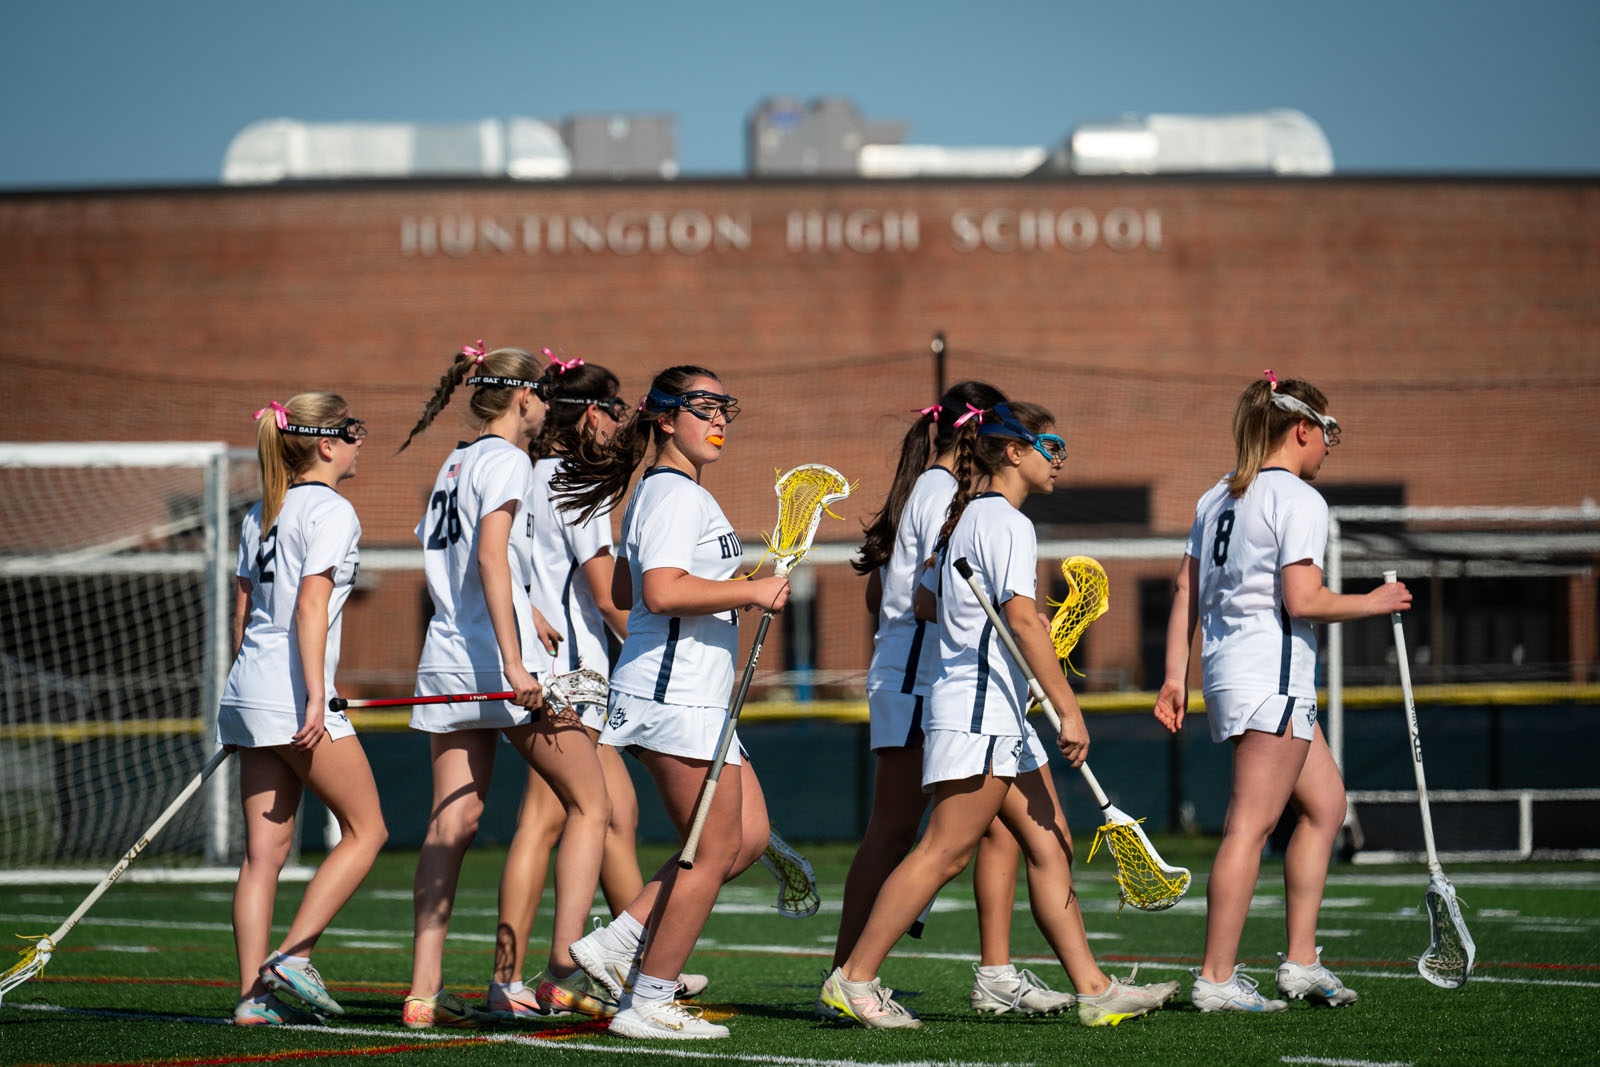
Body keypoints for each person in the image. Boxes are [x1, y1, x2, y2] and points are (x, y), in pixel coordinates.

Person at [819, 401, 1179, 1030]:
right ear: (1013, 450)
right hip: (977, 708)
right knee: (945, 851)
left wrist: (994, 630)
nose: (1060, 460)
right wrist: (1068, 707)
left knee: (1050, 840)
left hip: (998, 705)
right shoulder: (1006, 521)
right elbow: (1017, 620)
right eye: (1051, 446)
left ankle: (1094, 989)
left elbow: (925, 599)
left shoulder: (967, 517)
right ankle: (853, 978)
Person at [1154, 371, 1410, 1012]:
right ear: (1302, 429)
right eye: (1328, 432)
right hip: (1271, 676)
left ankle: (1300, 962)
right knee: (1250, 825)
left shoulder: (1217, 495)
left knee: (1326, 806)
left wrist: (1175, 675)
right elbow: (1303, 599)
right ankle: (1216, 978)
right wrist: (1373, 602)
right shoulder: (1298, 498)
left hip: (1236, 672)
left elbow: (1185, 589)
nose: (1328, 446)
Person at [552, 366, 790, 1040]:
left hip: (697, 693)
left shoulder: (674, 493)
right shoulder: (674, 493)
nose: (718, 420)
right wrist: (750, 592)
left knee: (746, 838)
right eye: (702, 407)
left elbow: (629, 587)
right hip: (673, 695)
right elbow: (657, 593)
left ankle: (621, 939)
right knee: (710, 852)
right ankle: (649, 999)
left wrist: (731, 582)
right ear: (664, 418)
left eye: (723, 408)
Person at [831, 381, 1072, 1018]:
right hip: (928, 680)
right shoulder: (952, 496)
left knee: (996, 832)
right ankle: (848, 977)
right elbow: (931, 601)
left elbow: (892, 590)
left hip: (932, 677)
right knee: (908, 838)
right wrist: (1026, 635)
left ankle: (998, 972)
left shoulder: (940, 492)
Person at [398, 342, 610, 1029]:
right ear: (523, 398)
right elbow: (491, 555)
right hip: (496, 665)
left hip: (446, 656)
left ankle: (424, 993)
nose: (549, 406)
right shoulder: (510, 459)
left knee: (452, 823)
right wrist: (516, 660)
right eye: (544, 394)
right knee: (591, 804)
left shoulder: (455, 460)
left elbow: (472, 562)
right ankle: (561, 972)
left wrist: (529, 609)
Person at [492, 354, 703, 1019]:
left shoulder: (526, 472)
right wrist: (664, 658)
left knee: (616, 815)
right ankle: (534, 976)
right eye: (615, 409)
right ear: (589, 412)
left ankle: (633, 959)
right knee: (552, 818)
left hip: (558, 671)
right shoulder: (571, 479)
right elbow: (610, 595)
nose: (621, 422)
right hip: (571, 674)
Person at [224, 395, 387, 1026]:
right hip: (294, 695)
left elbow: (244, 614)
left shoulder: (260, 510)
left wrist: (246, 695)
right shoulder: (332, 510)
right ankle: (293, 955)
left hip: (250, 689)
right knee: (368, 830)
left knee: (262, 855)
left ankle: (252, 1000)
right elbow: (310, 606)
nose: (359, 443)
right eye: (352, 432)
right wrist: (317, 694)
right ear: (326, 444)